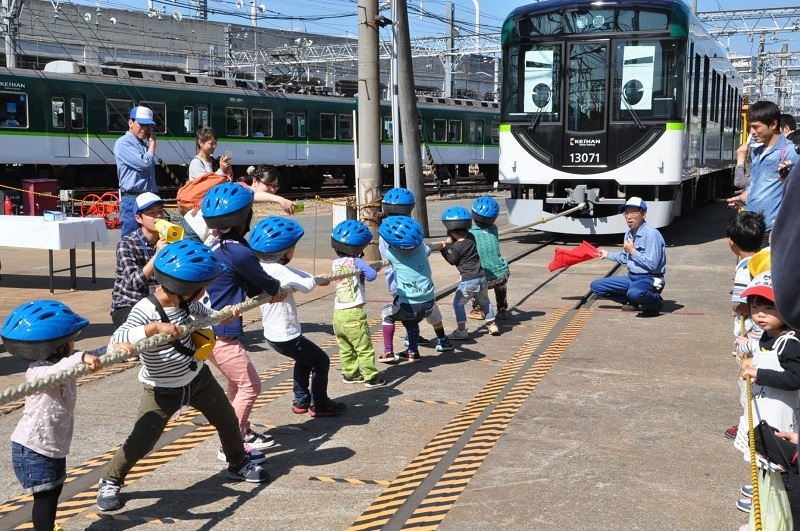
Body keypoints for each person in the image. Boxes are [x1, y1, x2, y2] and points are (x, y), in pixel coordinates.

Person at [97, 241, 270, 512]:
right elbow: (118, 339)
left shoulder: (191, 305)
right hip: (161, 389)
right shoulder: (146, 309)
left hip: (198, 379)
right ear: (184, 290)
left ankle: (237, 463)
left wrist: (224, 317)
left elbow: (208, 316)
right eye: (202, 288)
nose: (204, 292)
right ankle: (110, 480)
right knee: (142, 440)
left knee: (226, 420)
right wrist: (151, 330)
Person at [3, 301, 110, 531]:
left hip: (53, 446)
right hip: (33, 449)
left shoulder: (66, 363)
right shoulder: (39, 372)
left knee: (55, 489)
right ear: (58, 347)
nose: (75, 346)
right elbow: (58, 371)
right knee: (45, 498)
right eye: (71, 341)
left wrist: (115, 349)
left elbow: (93, 355)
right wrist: (80, 358)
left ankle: (47, 525)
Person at [202, 183, 288, 453]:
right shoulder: (238, 251)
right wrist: (278, 289)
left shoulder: (216, 243)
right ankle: (232, 443)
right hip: (222, 334)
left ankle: (243, 430)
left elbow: (248, 283)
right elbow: (267, 284)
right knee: (251, 386)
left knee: (236, 385)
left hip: (208, 331)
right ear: (241, 219)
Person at [250, 216, 348, 415]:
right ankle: (319, 404)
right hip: (287, 334)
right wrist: (313, 281)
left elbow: (297, 274)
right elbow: (306, 286)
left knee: (304, 360)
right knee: (321, 361)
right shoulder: (278, 270)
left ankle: (301, 400)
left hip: (273, 333)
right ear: (284, 252)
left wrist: (314, 278)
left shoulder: (263, 267)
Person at [734, 272, 800, 524]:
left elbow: (795, 378)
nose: (759, 314)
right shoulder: (767, 336)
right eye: (755, 306)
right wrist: (749, 355)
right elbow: (757, 350)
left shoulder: (790, 342)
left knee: (780, 475)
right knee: (762, 468)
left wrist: (759, 373)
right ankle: (760, 513)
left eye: (768, 307)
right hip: (762, 414)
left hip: (780, 422)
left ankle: (775, 523)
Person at [378, 187, 454, 357]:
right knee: (430, 311)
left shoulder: (386, 231)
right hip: (423, 287)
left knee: (402, 312)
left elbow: (386, 255)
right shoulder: (413, 229)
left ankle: (390, 351)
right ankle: (440, 339)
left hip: (398, 284)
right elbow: (425, 250)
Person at [727, 101, 800, 245]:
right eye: (750, 127)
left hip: (772, 230)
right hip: (752, 227)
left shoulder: (790, 152)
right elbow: (757, 185)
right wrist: (742, 198)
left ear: (773, 124)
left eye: (756, 127)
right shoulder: (758, 152)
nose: (752, 132)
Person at [723, 211, 767, 441]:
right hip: (766, 334)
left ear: (731, 241)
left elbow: (739, 305)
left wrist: (737, 309)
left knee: (747, 381)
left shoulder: (744, 267)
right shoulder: (765, 260)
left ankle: (748, 427)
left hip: (749, 336)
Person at [330, 219, 386, 388]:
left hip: (338, 314)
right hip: (354, 313)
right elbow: (371, 276)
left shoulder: (335, 263)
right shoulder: (356, 261)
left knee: (345, 347)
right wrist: (365, 268)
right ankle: (371, 376)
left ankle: (350, 374)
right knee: (364, 347)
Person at [590, 197, 666, 317]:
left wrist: (633, 251)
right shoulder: (629, 233)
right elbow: (626, 257)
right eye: (626, 213)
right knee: (596, 286)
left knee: (635, 292)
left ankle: (655, 301)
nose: (629, 217)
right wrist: (607, 254)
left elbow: (653, 265)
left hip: (650, 278)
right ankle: (634, 300)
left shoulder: (652, 234)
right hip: (632, 278)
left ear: (644, 214)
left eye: (634, 213)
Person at [110, 192, 169, 329]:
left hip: (158, 301)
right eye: (151, 213)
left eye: (160, 211)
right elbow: (133, 283)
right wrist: (157, 256)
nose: (158, 216)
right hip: (130, 303)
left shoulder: (168, 240)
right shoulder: (127, 244)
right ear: (139, 218)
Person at [439, 206, 499, 339]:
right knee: (485, 301)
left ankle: (461, 330)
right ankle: (492, 324)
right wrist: (450, 244)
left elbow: (452, 259)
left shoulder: (458, 246)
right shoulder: (471, 236)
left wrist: (443, 249)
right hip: (482, 277)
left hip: (468, 280)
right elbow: (461, 246)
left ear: (449, 229)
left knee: (458, 304)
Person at [115, 106, 159, 237]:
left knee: (149, 238)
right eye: (142, 124)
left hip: (147, 198)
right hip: (132, 199)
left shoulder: (142, 145)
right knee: (130, 238)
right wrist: (152, 145)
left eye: (149, 126)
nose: (146, 129)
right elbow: (144, 164)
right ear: (130, 123)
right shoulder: (123, 143)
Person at [467, 196, 511, 321]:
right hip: (503, 274)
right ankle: (502, 310)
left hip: (485, 279)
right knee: (501, 286)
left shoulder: (469, 233)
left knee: (475, 281)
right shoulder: (494, 229)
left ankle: (478, 310)